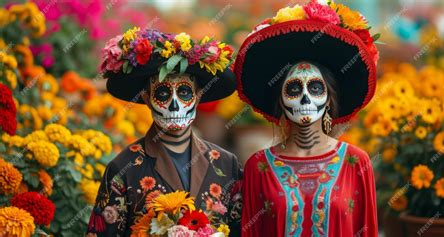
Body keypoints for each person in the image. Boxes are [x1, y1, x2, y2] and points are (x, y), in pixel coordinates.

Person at [235, 1, 379, 236]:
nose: (304, 100)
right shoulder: (258, 167)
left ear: (329, 100)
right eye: (293, 89)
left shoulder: (357, 162)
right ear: (280, 101)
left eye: (314, 88)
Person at [87, 28, 242, 236]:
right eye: (162, 93)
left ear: (198, 96)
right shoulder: (124, 168)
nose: (175, 106)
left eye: (184, 92)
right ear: (146, 97)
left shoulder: (226, 164)